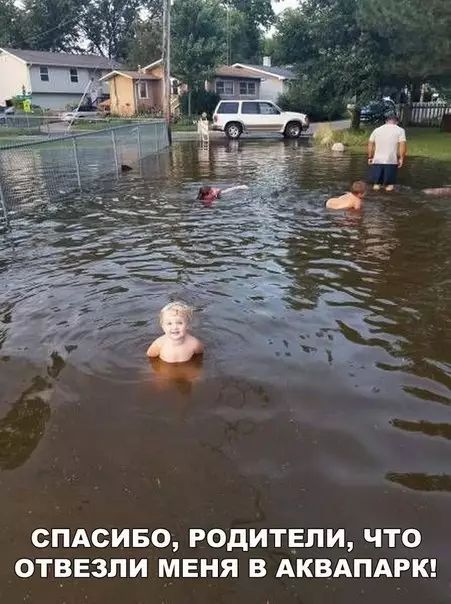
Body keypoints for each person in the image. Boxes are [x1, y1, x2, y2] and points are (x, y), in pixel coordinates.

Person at [368, 114, 407, 192]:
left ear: (386, 121)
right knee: (390, 186)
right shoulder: (400, 130)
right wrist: (401, 158)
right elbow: (402, 145)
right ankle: (388, 200)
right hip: (391, 161)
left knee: (376, 185)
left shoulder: (377, 130)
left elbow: (370, 143)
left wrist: (370, 157)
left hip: (377, 160)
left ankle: (375, 199)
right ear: (396, 122)